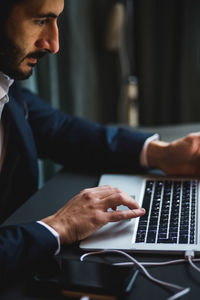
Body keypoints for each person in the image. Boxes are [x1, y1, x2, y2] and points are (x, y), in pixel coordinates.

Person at [1, 0, 200, 284]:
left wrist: (160, 154)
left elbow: (59, 130)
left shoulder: (6, 84)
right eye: (40, 20)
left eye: (56, 20)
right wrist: (57, 227)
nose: (54, 44)